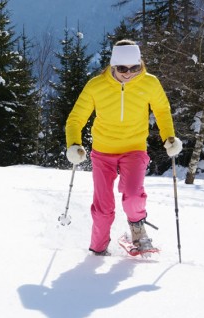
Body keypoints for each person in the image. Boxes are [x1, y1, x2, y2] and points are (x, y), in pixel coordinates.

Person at [65, 39, 182, 256]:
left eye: (134, 68)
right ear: (112, 65)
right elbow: (75, 118)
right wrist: (74, 144)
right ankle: (98, 248)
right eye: (122, 69)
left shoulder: (150, 83)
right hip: (102, 152)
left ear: (140, 64)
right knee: (103, 208)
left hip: (134, 149)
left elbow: (162, 111)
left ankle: (137, 229)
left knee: (133, 195)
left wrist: (169, 138)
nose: (128, 74)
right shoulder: (96, 86)